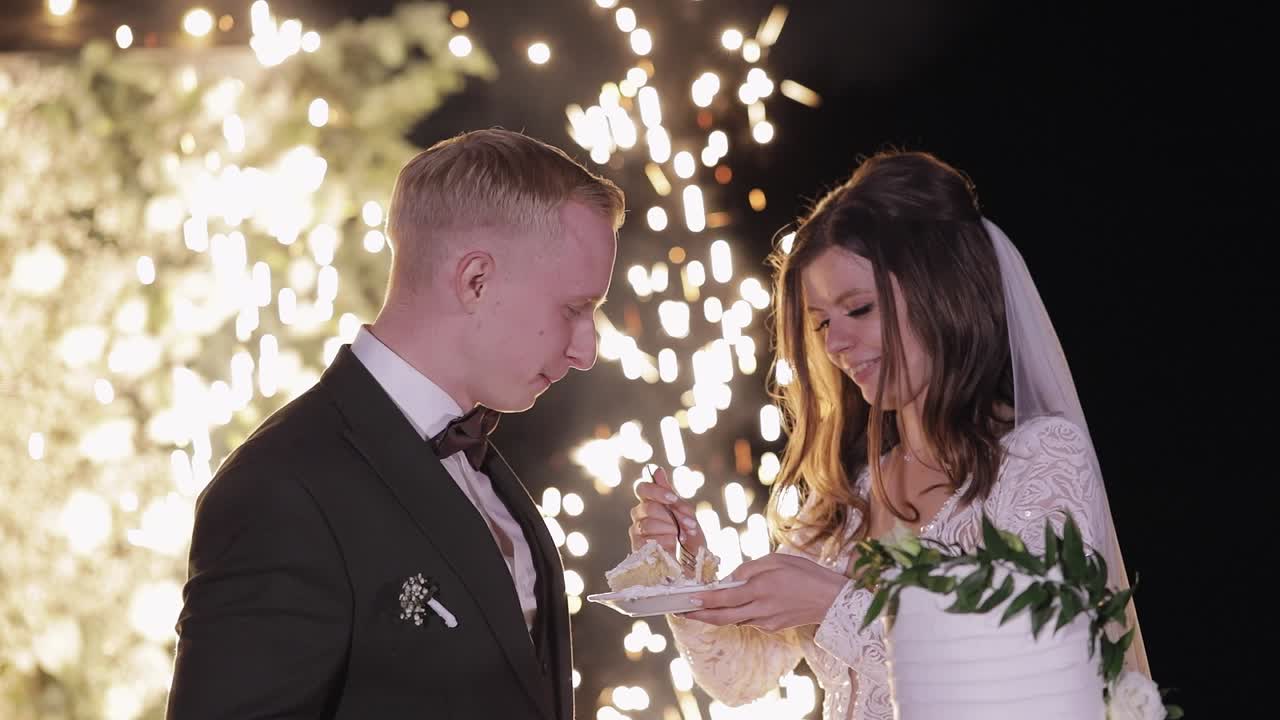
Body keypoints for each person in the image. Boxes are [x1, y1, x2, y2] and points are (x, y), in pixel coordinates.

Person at [627, 150, 1148, 719]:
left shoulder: (1039, 459)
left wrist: (837, 605)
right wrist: (682, 576)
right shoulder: (847, 500)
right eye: (823, 322)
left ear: (940, 292)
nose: (834, 345)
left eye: (859, 308)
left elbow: (1037, 681)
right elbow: (738, 677)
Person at [167, 128, 624, 719]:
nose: (585, 350)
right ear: (475, 280)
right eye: (574, 309)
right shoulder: (281, 490)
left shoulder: (480, 462)